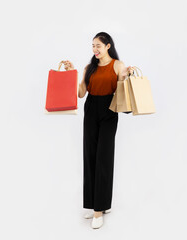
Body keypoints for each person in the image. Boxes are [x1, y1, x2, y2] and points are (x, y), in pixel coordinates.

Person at [62, 32, 135, 229]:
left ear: (108, 46)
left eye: (98, 46)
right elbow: (80, 94)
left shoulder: (117, 65)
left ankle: (99, 210)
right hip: (91, 108)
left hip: (110, 109)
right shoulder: (89, 67)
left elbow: (121, 88)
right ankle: (95, 204)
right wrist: (73, 73)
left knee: (104, 156)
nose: (95, 49)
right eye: (92, 46)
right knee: (90, 156)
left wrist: (125, 76)